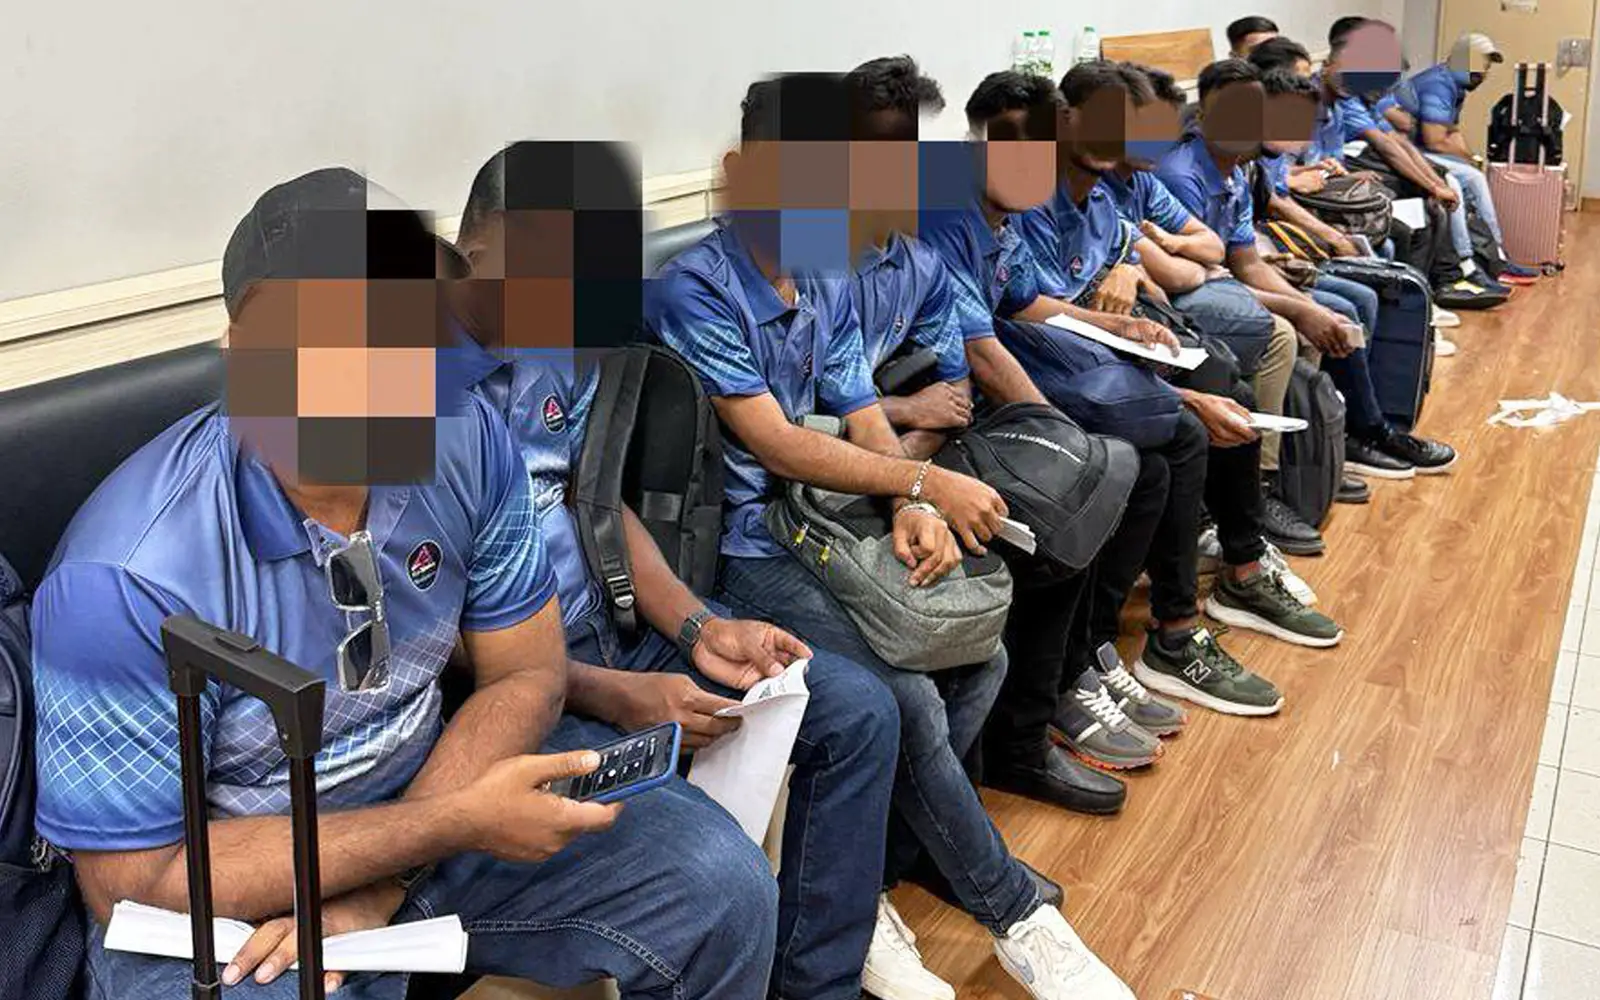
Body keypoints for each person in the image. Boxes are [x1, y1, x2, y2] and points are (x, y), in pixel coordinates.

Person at [31, 167, 780, 1000]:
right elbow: (135, 882)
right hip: (240, 887)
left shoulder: (466, 440)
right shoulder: (125, 574)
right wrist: (438, 829)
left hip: (439, 794)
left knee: (721, 887)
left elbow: (526, 671)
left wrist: (394, 873)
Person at [643, 72, 1137, 1000]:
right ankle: (1016, 917)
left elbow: (859, 409)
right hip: (743, 550)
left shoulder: (822, 267)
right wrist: (919, 481)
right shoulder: (692, 290)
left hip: (827, 522)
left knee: (980, 656)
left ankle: (865, 879)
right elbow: (775, 441)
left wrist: (914, 506)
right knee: (900, 697)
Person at [445, 139, 901, 1000]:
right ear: (476, 251)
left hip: (608, 628)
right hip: (515, 683)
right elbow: (431, 630)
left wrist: (698, 626)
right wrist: (613, 695)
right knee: (717, 881)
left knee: (860, 714)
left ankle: (815, 986)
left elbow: (592, 501)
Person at [941, 68, 1313, 721]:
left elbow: (1030, 303)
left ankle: (1123, 640)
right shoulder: (953, 216)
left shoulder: (1017, 217)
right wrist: (1059, 430)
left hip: (1038, 369)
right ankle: (1143, 639)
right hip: (993, 398)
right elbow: (982, 347)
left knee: (1180, 426)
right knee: (1149, 446)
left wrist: (1119, 321)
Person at [840, 57, 1163, 790]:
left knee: (1098, 479)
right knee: (1057, 507)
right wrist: (912, 452)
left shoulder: (916, 256)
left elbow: (955, 383)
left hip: (916, 448)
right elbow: (812, 418)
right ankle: (1024, 738)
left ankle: (1070, 686)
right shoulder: (833, 260)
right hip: (861, 469)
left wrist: (917, 443)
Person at [1159, 60, 1459, 483]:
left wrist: (1309, 306)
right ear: (1204, 116)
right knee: (1292, 328)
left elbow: (1246, 263)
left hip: (1227, 279)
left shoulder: (1235, 172)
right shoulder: (1183, 175)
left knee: (1341, 309)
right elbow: (1202, 276)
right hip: (1193, 290)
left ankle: (1344, 437)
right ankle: (1286, 469)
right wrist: (1301, 310)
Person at [1110, 61, 1325, 552]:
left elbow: (1218, 251)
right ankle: (1255, 501)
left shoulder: (1150, 180)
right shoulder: (1165, 175)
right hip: (1146, 312)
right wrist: (1187, 264)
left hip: (1169, 300)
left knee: (1320, 312)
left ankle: (1276, 492)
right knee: (1269, 338)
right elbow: (1179, 274)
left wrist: (1181, 253)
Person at [1321, 19, 1512, 306]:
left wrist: (1436, 182)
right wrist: (1434, 186)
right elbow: (1397, 143)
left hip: (1354, 172)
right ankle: (1445, 283)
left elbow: (1399, 140)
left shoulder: (1360, 96)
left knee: (1443, 187)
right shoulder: (1339, 97)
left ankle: (1474, 267)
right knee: (1427, 204)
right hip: (1345, 176)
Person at [1397, 32, 1539, 283]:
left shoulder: (1456, 87)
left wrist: (1471, 158)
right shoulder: (1438, 84)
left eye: (1486, 67)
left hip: (1419, 148)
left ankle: (1496, 257)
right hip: (1406, 150)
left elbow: (1452, 132)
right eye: (1479, 64)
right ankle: (1466, 263)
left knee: (1475, 176)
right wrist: (1469, 160)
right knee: (1461, 182)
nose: (1483, 73)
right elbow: (1435, 140)